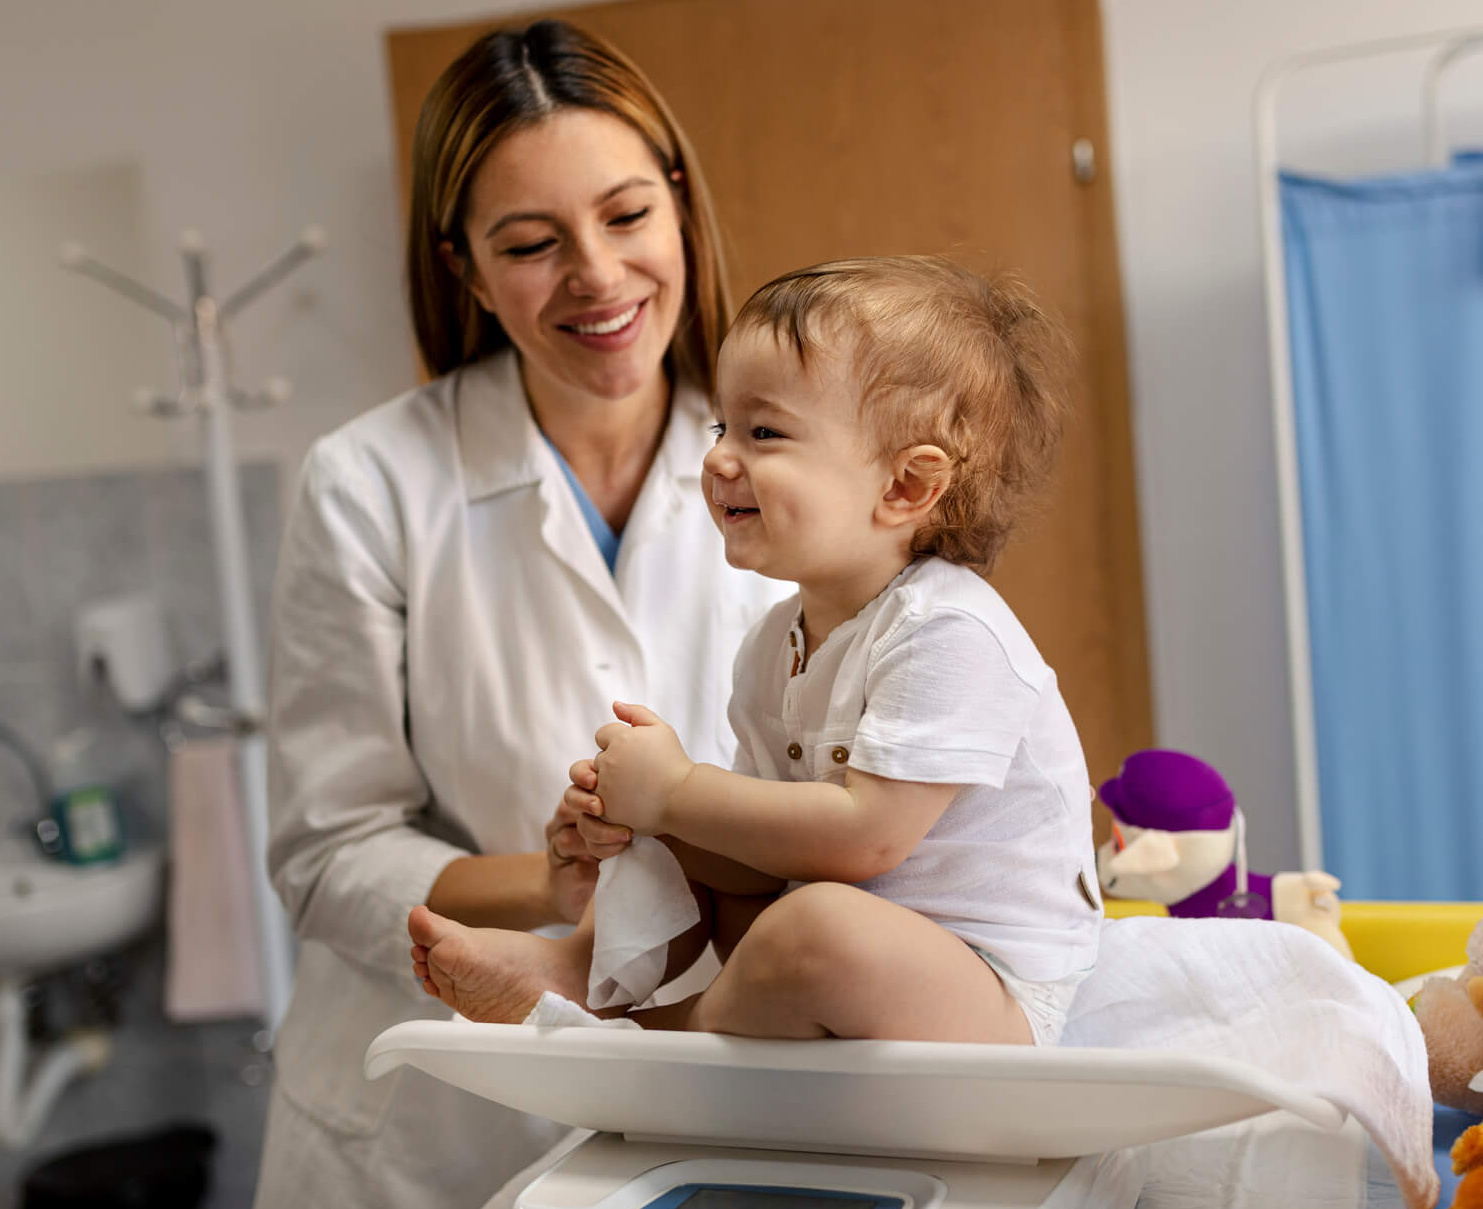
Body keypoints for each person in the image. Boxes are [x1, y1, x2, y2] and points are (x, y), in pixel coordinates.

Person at [238, 21, 789, 1209]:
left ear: (682, 204)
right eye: (531, 245)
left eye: (626, 214)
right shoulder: (371, 483)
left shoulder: (783, 459)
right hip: (433, 1127)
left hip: (718, 1080)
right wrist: (545, 884)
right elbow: (327, 853)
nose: (596, 277)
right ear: (470, 273)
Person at [407, 255, 1105, 1048]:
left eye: (763, 432)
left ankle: (659, 1030)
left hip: (991, 994)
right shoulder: (774, 645)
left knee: (814, 926)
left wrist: (677, 790)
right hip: (847, 959)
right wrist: (647, 817)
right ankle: (583, 966)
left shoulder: (948, 631)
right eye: (722, 428)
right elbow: (761, 866)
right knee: (713, 852)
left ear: (906, 488)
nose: (717, 460)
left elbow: (864, 839)